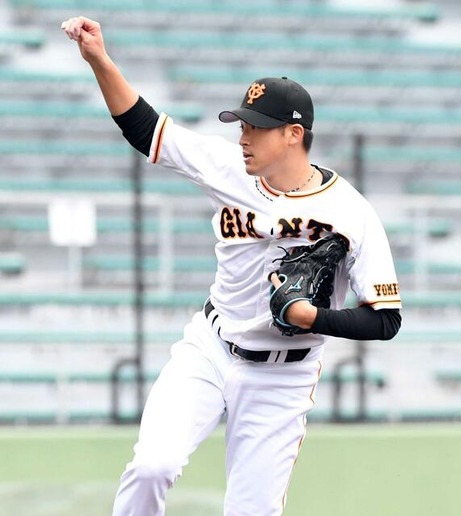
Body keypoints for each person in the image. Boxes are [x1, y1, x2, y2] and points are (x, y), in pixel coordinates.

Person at [62, 16, 402, 516]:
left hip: (282, 379)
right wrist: (99, 60)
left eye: (256, 127)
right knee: (153, 465)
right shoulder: (228, 169)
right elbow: (145, 128)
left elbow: (386, 319)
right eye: (242, 125)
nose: (243, 136)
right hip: (210, 348)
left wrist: (314, 318)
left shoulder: (351, 213)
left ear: (293, 134)